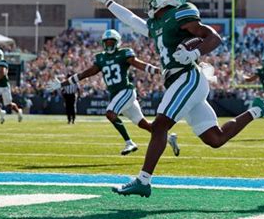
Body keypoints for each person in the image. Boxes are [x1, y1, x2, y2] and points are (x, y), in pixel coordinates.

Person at [85, 0, 264, 198]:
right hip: (179, 80)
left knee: (160, 125)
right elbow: (131, 19)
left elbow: (213, 37)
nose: (151, 0)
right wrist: (105, 0)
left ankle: (143, 180)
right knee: (215, 139)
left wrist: (194, 53)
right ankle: (257, 110)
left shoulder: (180, 14)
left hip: (187, 77)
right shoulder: (157, 24)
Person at [47, 29, 180, 156]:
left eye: (112, 42)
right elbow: (84, 74)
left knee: (110, 113)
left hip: (126, 91)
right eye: (107, 42)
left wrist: (158, 70)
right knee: (143, 124)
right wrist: (62, 84)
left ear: (118, 42)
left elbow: (140, 64)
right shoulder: (100, 58)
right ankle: (169, 138)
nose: (109, 45)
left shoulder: (124, 54)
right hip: (117, 95)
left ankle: (129, 143)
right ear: (103, 43)